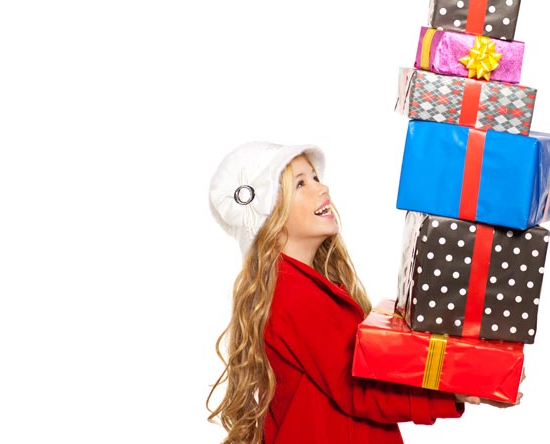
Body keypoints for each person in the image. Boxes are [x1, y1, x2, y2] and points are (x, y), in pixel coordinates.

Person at [206, 141, 520, 444]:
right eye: (301, 184)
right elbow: (359, 388)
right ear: (270, 216)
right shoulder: (296, 296)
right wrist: (453, 392)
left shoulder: (304, 285)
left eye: (315, 177)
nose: (322, 187)